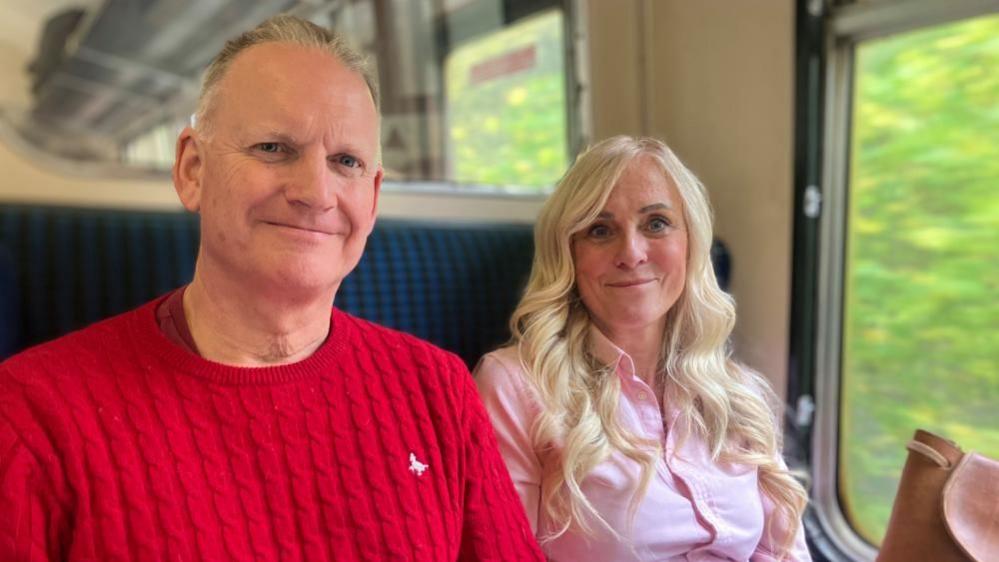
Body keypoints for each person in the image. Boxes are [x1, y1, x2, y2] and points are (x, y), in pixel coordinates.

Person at [0, 15, 542, 562]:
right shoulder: (32, 411)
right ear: (192, 170)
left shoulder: (438, 390)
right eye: (273, 148)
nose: (315, 191)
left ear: (372, 198)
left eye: (346, 161)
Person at [474, 136, 811, 561]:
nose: (631, 253)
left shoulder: (738, 395)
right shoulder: (514, 385)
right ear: (568, 255)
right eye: (600, 230)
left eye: (656, 224)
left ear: (691, 243)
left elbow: (785, 554)